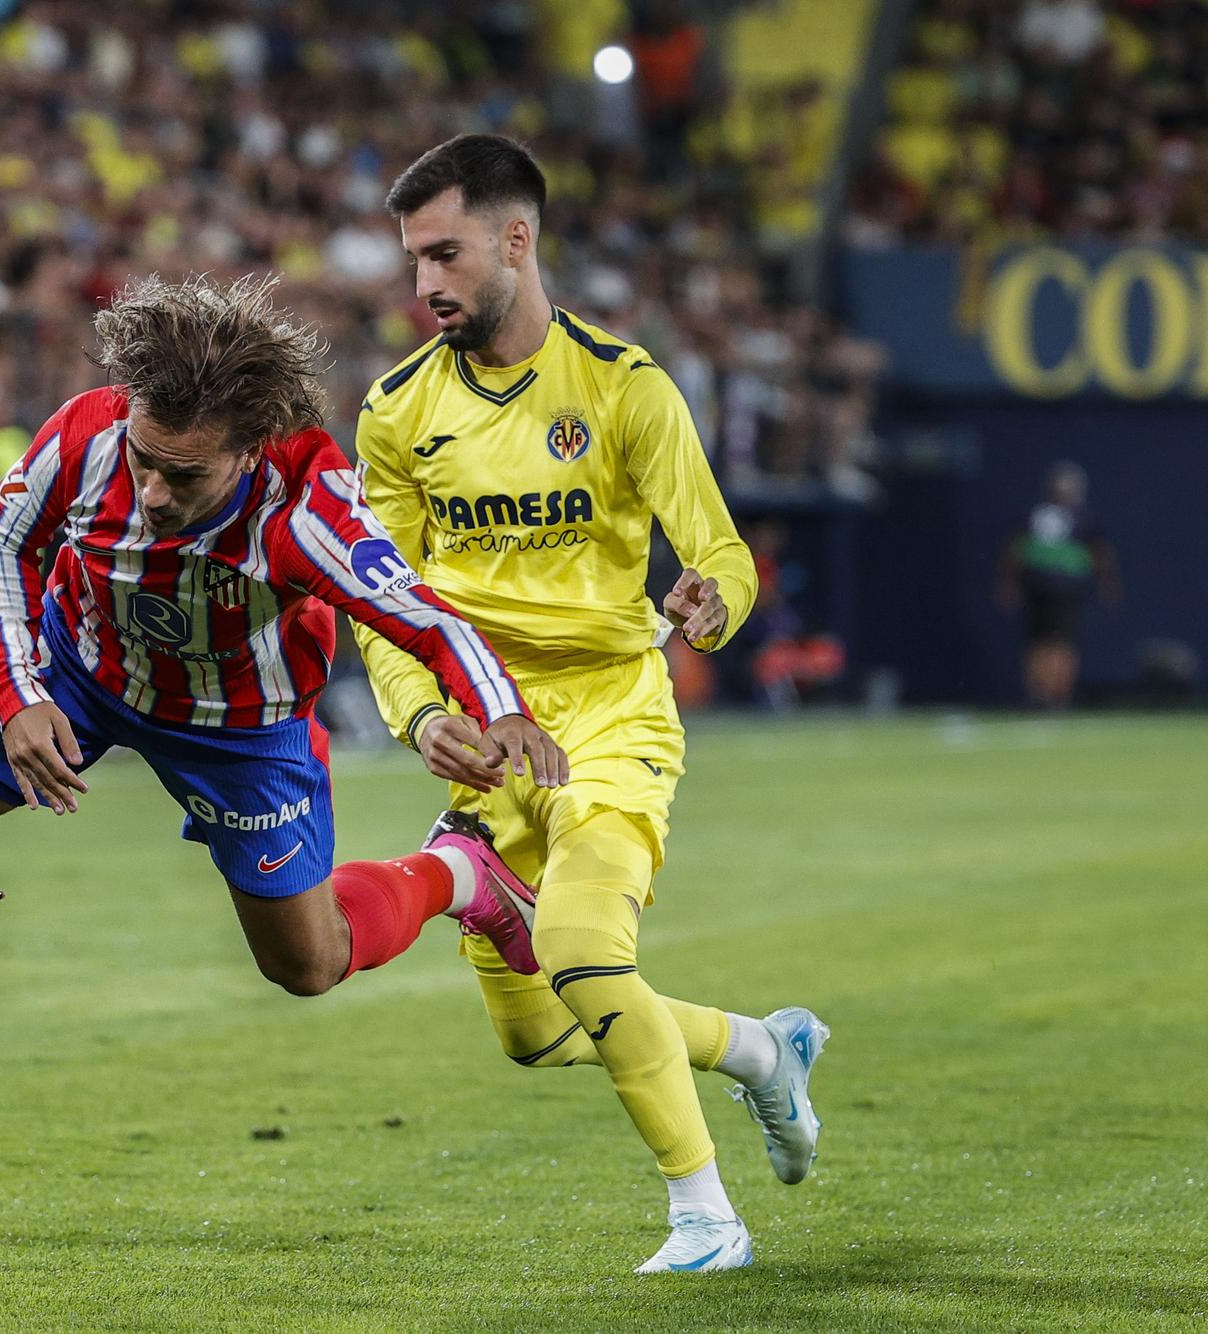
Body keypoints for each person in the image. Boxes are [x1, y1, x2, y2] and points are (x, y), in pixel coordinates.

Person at [0, 274, 567, 1018]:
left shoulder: (310, 511)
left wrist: (501, 708)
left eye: (183, 474)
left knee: (307, 965)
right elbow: (0, 538)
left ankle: (458, 872)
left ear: (250, 450)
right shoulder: (89, 434)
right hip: (77, 668)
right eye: (144, 458)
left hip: (239, 725)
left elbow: (420, 617)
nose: (150, 490)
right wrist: (20, 693)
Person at [354, 135, 830, 1275]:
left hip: (612, 716)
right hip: (486, 735)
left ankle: (705, 1216)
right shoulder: (393, 414)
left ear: (515, 241)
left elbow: (718, 550)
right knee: (533, 1034)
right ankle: (762, 1049)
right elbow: (382, 600)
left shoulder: (623, 387)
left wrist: (710, 604)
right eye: (412, 259)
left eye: (445, 253)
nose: (424, 283)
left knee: (578, 942)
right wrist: (422, 718)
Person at [997, 461, 1119, 709]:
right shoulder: (1036, 515)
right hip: (1041, 589)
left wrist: (1108, 581)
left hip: (1066, 592)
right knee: (1040, 644)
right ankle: (1039, 695)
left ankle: (1057, 696)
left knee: (1061, 644)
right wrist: (1008, 583)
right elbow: (1014, 551)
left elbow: (1100, 553)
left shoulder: (1082, 518)